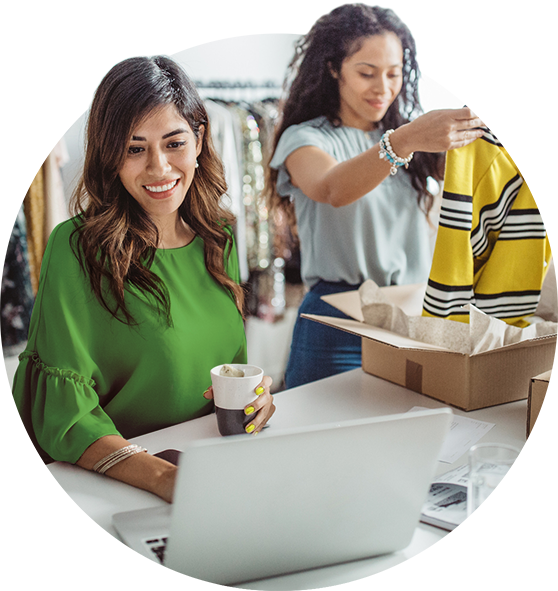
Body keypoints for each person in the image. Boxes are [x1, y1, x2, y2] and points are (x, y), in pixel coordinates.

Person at [1, 55, 275, 503]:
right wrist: (165, 480)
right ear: (110, 155)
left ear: (200, 139)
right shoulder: (76, 249)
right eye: (134, 148)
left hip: (211, 470)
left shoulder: (218, 236)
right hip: (111, 488)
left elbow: (226, 371)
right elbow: (66, 417)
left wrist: (257, 399)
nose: (159, 169)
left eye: (174, 143)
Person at [266, 3, 491, 388]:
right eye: (367, 73)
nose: (383, 88)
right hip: (337, 322)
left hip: (413, 318)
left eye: (394, 73)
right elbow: (333, 188)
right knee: (324, 440)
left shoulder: (416, 141)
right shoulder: (305, 139)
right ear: (334, 68)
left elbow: (481, 190)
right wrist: (406, 140)